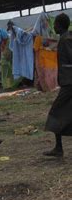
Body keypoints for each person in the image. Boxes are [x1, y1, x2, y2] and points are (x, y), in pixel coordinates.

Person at [44, 13, 72, 157]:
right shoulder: (65, 38)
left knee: (56, 112)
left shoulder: (66, 40)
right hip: (67, 83)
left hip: (69, 84)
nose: (53, 26)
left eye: (55, 24)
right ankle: (58, 147)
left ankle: (59, 148)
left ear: (60, 25)